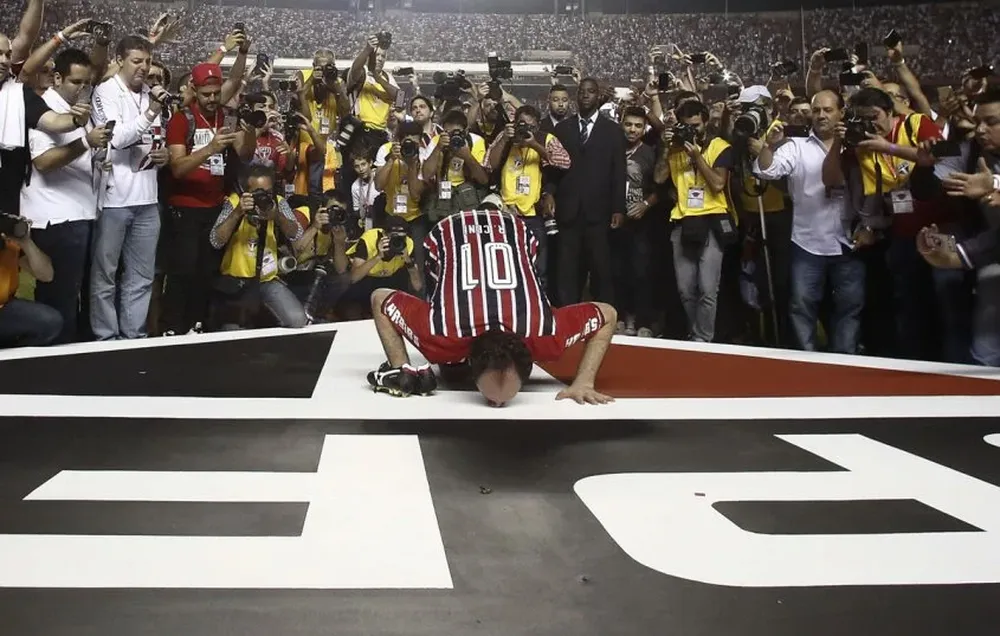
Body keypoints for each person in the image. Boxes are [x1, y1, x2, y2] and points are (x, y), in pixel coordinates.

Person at [368, 208, 617, 407]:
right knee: (448, 364)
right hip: (469, 230)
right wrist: (402, 367)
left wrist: (585, 381)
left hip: (495, 230)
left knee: (448, 368)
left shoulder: (546, 334)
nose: (496, 405)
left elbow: (380, 297)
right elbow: (608, 313)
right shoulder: (441, 337)